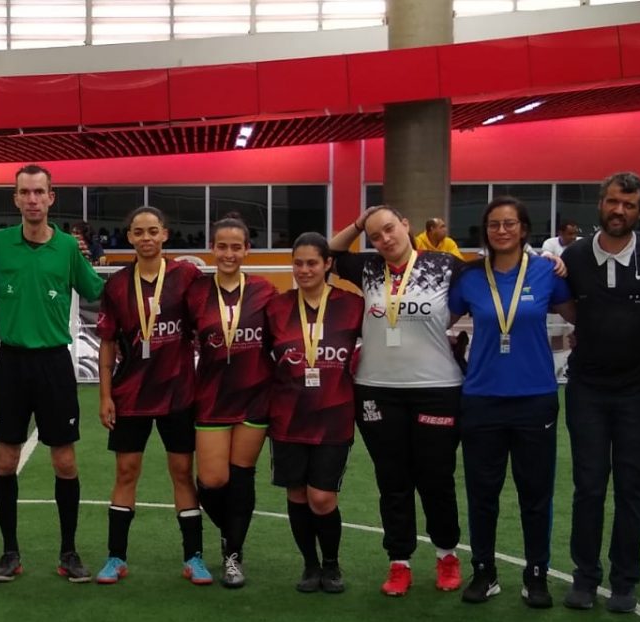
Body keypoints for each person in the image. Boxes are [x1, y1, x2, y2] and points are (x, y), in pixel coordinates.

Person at [329, 205, 465, 596]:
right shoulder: (369, 268)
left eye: (389, 229)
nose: (385, 239)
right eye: (376, 235)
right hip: (376, 389)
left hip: (437, 388)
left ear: (406, 226)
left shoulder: (444, 264)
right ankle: (399, 561)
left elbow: (491, 281)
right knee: (392, 480)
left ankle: (446, 554)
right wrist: (358, 222)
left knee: (436, 477)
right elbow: (330, 251)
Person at [0, 166, 105, 583]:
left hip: (55, 362)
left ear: (52, 197)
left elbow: (98, 291)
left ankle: (68, 551)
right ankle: (9, 551)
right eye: (24, 193)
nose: (32, 200)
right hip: (11, 363)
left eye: (39, 192)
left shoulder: (69, 248)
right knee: (5, 460)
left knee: (65, 462)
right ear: (15, 199)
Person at [449, 197, 575, 608]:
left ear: (524, 229)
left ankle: (536, 574)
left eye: (509, 224)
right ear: (485, 231)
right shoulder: (468, 277)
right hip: (482, 398)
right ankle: (484, 571)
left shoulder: (545, 272)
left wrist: (567, 268)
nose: (501, 231)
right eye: (493, 224)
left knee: (535, 492)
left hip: (534, 398)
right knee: (482, 492)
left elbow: (578, 314)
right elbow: (438, 322)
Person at [559, 171, 640, 614]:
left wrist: (639, 334)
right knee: (588, 484)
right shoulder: (575, 255)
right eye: (612, 202)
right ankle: (585, 577)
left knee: (631, 484)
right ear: (600, 205)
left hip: (639, 389)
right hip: (586, 386)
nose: (618, 211)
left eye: (628, 205)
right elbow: (566, 306)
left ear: (639, 212)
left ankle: (625, 580)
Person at [94, 206, 207, 585]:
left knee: (181, 473)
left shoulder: (186, 276)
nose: (146, 238)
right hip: (132, 395)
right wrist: (105, 395)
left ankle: (194, 558)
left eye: (153, 231)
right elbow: (107, 343)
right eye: (138, 232)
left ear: (165, 234)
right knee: (126, 471)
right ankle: (116, 557)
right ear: (128, 237)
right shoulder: (116, 285)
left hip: (178, 393)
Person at [267, 233, 365, 594]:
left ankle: (331, 563)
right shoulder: (276, 307)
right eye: (298, 263)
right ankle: (309, 565)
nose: (304, 270)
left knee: (322, 497)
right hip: (287, 416)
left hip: (335, 415)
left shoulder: (352, 305)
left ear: (327, 264)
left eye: (312, 263)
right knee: (296, 494)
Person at [186, 215, 276, 588]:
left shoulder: (265, 290)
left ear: (247, 250)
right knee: (211, 479)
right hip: (211, 396)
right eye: (221, 246)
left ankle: (233, 554)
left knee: (241, 478)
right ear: (212, 248)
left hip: (255, 393)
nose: (228, 253)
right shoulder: (195, 292)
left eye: (236, 246)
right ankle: (233, 529)